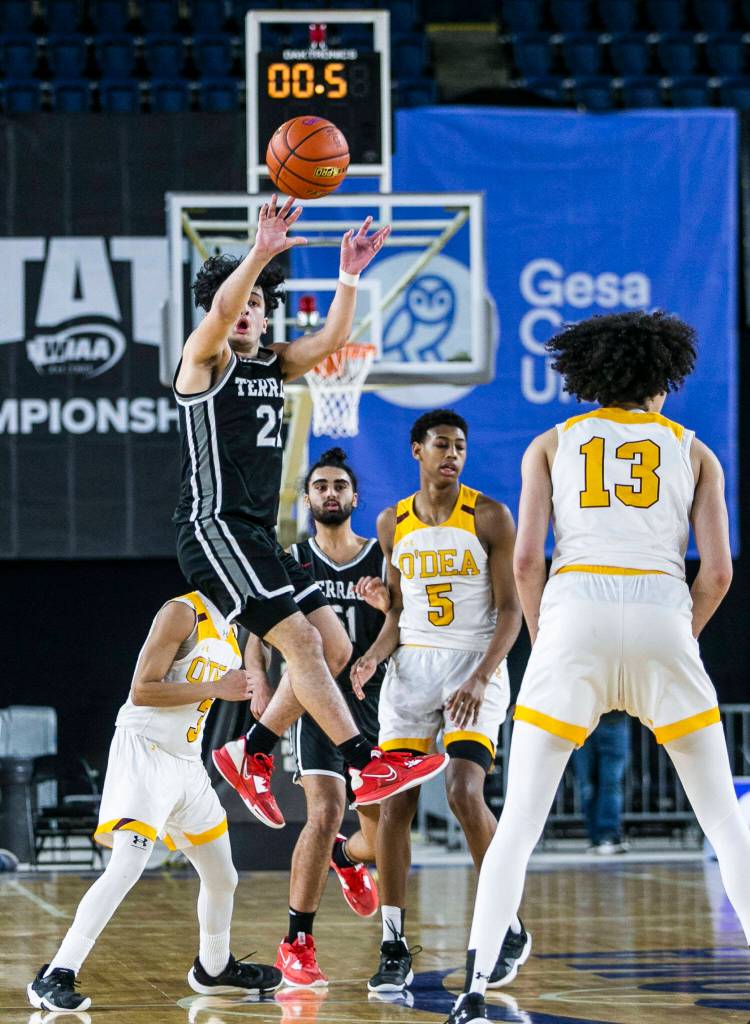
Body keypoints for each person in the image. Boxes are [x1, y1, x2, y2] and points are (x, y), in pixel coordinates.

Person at [447, 309, 750, 1024]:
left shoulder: (551, 444)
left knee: (519, 822)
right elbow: (717, 575)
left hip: (575, 609)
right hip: (659, 611)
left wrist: (551, 637)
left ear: (593, 376)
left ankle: (473, 986)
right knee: (726, 828)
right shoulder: (697, 452)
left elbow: (526, 560)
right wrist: (681, 635)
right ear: (663, 379)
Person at [172, 194, 448, 823]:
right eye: (239, 302)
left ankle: (253, 749)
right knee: (299, 641)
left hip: (257, 536)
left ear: (267, 317)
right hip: (213, 528)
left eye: (258, 304)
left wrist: (349, 274)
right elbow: (219, 308)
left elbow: (334, 337)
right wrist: (260, 253)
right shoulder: (203, 362)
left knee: (334, 645)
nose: (245, 310)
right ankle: (364, 759)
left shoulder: (274, 362)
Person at [27, 591, 282, 1012]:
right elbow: (142, 690)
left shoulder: (236, 624)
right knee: (126, 867)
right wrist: (217, 686)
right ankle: (55, 973)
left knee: (223, 876)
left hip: (187, 760)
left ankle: (213, 969)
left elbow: (258, 653)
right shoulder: (183, 611)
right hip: (144, 749)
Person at [351, 409, 529, 994]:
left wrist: (480, 677)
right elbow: (398, 616)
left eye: (460, 446)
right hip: (411, 671)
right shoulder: (390, 522)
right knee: (394, 809)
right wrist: (375, 654)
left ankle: (506, 921)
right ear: (416, 451)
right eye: (441, 445)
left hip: (473, 661)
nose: (452, 455)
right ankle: (393, 941)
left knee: (461, 791)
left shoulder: (490, 516)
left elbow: (512, 612)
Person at [250, 447, 389, 987]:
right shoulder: (293, 559)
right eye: (320, 486)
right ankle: (297, 941)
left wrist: (388, 614)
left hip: (376, 706)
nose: (330, 494)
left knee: (379, 837)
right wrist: (258, 678)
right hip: (316, 707)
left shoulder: (381, 557)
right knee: (325, 811)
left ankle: (348, 857)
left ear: (355, 497)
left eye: (339, 486)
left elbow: (409, 622)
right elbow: (257, 631)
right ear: (307, 498)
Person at [571, 710, 630, 854]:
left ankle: (606, 835)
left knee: (607, 784)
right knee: (591, 786)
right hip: (588, 724)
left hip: (603, 722)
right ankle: (599, 837)